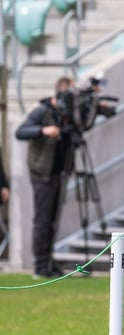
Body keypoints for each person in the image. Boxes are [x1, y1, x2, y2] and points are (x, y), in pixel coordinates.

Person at [15, 76, 76, 279]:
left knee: (52, 219)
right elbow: (20, 132)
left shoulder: (67, 113)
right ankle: (40, 265)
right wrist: (43, 130)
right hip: (42, 172)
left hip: (58, 172)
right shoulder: (42, 111)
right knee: (42, 219)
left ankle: (49, 262)